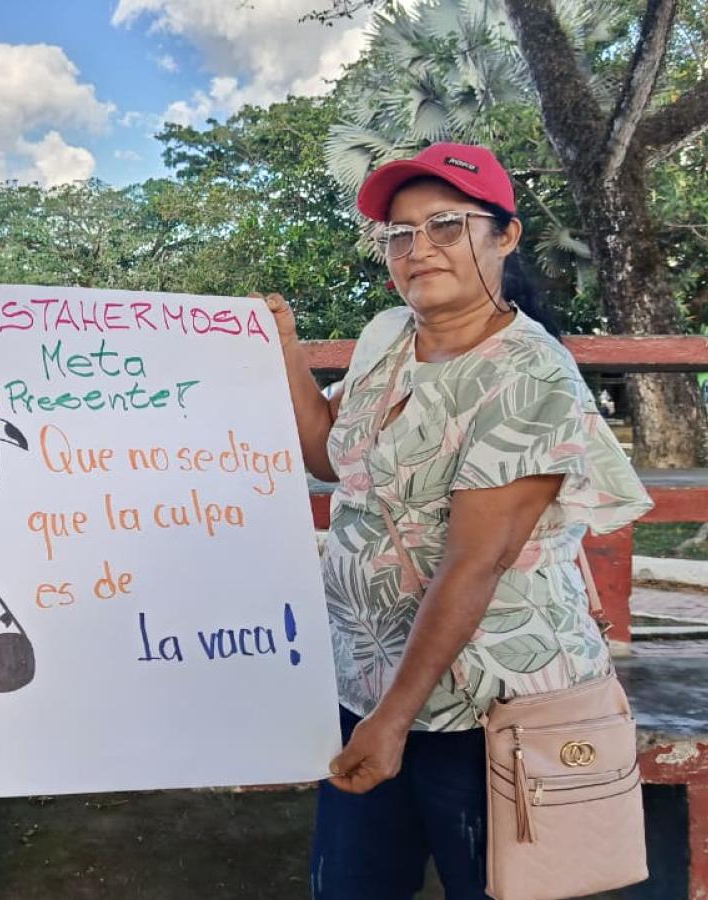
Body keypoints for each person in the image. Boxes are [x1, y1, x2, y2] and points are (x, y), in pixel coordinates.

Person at [262, 143, 652, 898]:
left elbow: (475, 562)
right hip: (367, 688)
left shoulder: (530, 376)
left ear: (503, 236)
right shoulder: (386, 336)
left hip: (489, 708)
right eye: (399, 234)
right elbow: (329, 456)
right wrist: (286, 352)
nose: (419, 248)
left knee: (498, 886)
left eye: (446, 224)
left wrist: (392, 721)